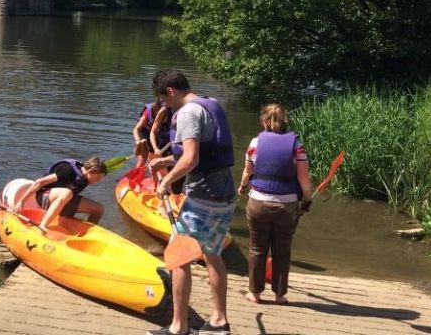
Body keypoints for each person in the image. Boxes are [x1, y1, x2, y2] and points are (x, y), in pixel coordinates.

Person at [147, 70, 235, 335]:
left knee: (177, 257)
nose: (164, 105)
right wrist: (166, 160)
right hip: (224, 194)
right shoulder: (211, 103)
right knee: (212, 254)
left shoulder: (186, 113)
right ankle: (219, 322)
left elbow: (191, 159)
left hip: (204, 197)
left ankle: (179, 327)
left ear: (170, 91)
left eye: (163, 100)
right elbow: (203, 153)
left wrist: (165, 182)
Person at [238, 104, 311, 306]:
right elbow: (303, 178)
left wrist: (242, 187)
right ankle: (280, 295)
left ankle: (255, 293)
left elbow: (247, 172)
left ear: (263, 121)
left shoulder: (255, 142)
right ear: (285, 120)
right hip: (287, 207)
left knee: (257, 249)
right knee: (282, 251)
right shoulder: (297, 144)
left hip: (258, 203)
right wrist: (307, 199)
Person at [12, 157, 107, 231]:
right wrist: (21, 202)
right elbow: (39, 182)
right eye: (98, 177)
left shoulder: (85, 179)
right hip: (44, 196)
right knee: (67, 193)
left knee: (99, 209)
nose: (98, 181)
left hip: (63, 199)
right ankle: (42, 226)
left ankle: (86, 232)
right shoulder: (68, 170)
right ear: (91, 171)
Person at [132, 101, 162, 168]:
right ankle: (138, 171)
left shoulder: (168, 112)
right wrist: (137, 141)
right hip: (145, 131)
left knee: (154, 155)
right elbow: (136, 129)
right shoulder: (148, 112)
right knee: (143, 157)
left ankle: (152, 169)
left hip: (156, 133)